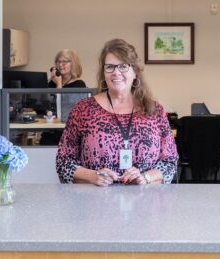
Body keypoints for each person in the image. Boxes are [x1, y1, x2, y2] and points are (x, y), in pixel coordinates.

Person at [56, 39, 178, 186]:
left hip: (145, 204)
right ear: (104, 73)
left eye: (123, 66)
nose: (116, 72)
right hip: (94, 203)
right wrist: (93, 176)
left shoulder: (154, 111)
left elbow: (170, 162)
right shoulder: (83, 110)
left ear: (135, 72)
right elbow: (63, 162)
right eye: (110, 67)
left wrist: (145, 178)